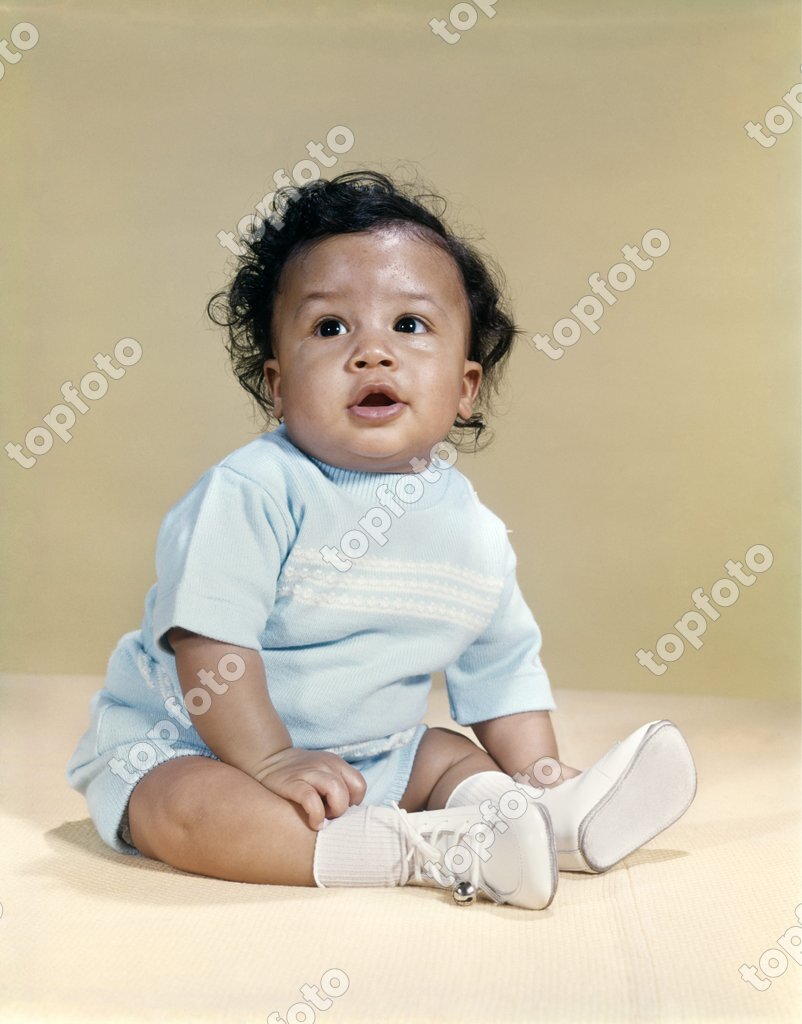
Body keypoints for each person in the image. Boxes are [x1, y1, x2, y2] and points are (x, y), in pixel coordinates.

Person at [66, 170, 696, 910]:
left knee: (448, 756)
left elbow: (504, 674)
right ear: (277, 383)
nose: (372, 353)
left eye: (409, 325)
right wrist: (270, 760)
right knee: (184, 808)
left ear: (466, 387)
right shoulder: (254, 492)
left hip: (376, 755)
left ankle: (542, 815)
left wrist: (537, 768)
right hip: (199, 747)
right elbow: (212, 646)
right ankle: (424, 851)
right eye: (330, 328)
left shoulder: (475, 533)